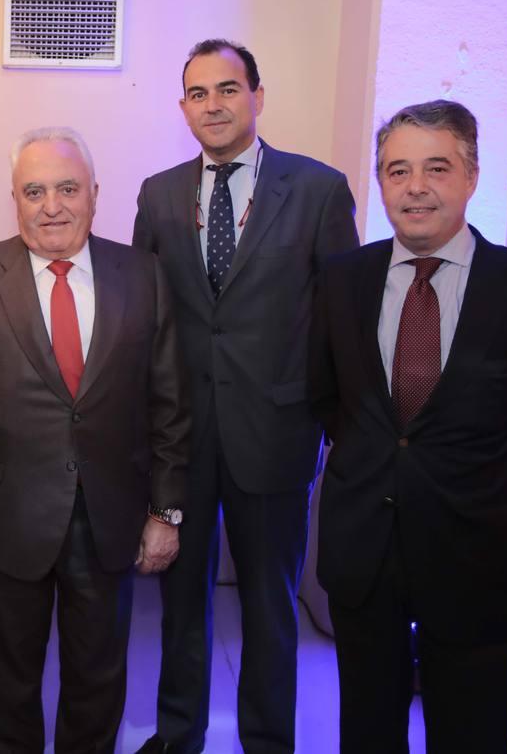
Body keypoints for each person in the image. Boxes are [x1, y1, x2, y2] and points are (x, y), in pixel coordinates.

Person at [307, 100, 507, 753]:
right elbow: (326, 397)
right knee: (368, 732)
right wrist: (376, 461)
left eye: (436, 167)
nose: (414, 187)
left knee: (472, 731)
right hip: (364, 550)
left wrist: (488, 483)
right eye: (396, 170)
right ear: (379, 183)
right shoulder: (340, 282)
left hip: (477, 554)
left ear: (471, 177)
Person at [0, 126, 190, 754]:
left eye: (67, 188)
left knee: (98, 682)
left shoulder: (143, 274)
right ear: (13, 199)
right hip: (4, 520)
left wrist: (165, 511)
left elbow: (171, 408)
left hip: (110, 520)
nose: (51, 206)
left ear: (95, 194)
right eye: (34, 191)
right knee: (7, 682)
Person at [131, 38, 359, 754]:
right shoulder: (159, 193)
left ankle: (266, 740)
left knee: (270, 608)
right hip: (183, 437)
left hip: (278, 432)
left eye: (228, 89)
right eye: (198, 93)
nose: (214, 105)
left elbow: (342, 319)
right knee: (180, 606)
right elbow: (145, 312)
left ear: (259, 95)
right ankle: (178, 735)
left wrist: (331, 422)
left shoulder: (319, 189)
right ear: (183, 108)